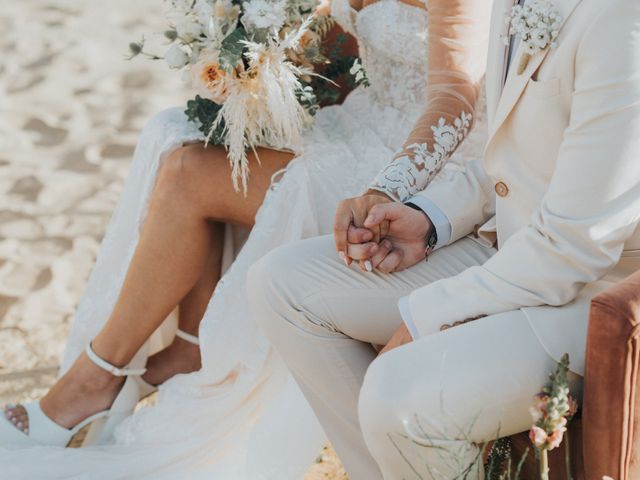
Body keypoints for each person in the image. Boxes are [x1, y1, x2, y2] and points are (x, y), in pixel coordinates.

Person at [0, 0, 490, 477]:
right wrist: (255, 66)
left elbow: (456, 100)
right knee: (174, 132)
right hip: (356, 121)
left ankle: (95, 381)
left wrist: (389, 187)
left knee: (191, 173)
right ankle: (187, 345)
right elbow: (332, 42)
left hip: (416, 172)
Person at [248, 0, 640, 477]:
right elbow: (515, 154)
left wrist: (426, 316)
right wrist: (427, 219)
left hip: (593, 296)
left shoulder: (621, 20)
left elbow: (576, 246)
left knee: (400, 399)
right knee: (283, 285)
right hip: (512, 249)